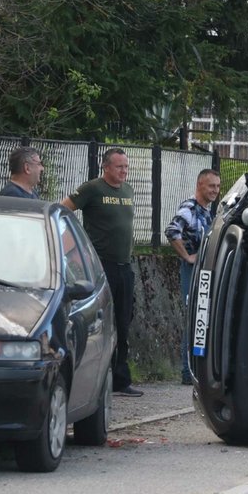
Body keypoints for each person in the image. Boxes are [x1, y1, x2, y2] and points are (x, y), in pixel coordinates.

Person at [62, 148, 142, 396]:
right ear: (106, 167)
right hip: (101, 265)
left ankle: (120, 377)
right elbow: (63, 212)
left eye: (126, 167)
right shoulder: (92, 189)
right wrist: (74, 250)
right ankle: (97, 375)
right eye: (119, 167)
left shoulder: (127, 191)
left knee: (123, 321)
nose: (124, 172)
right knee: (101, 322)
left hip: (124, 266)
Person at [164, 168, 221, 384]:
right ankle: (188, 374)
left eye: (217, 186)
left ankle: (198, 371)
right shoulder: (189, 208)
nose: (215, 190)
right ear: (200, 186)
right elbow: (171, 231)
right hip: (192, 270)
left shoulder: (207, 210)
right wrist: (187, 257)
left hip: (204, 270)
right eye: (211, 186)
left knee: (202, 318)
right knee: (194, 318)